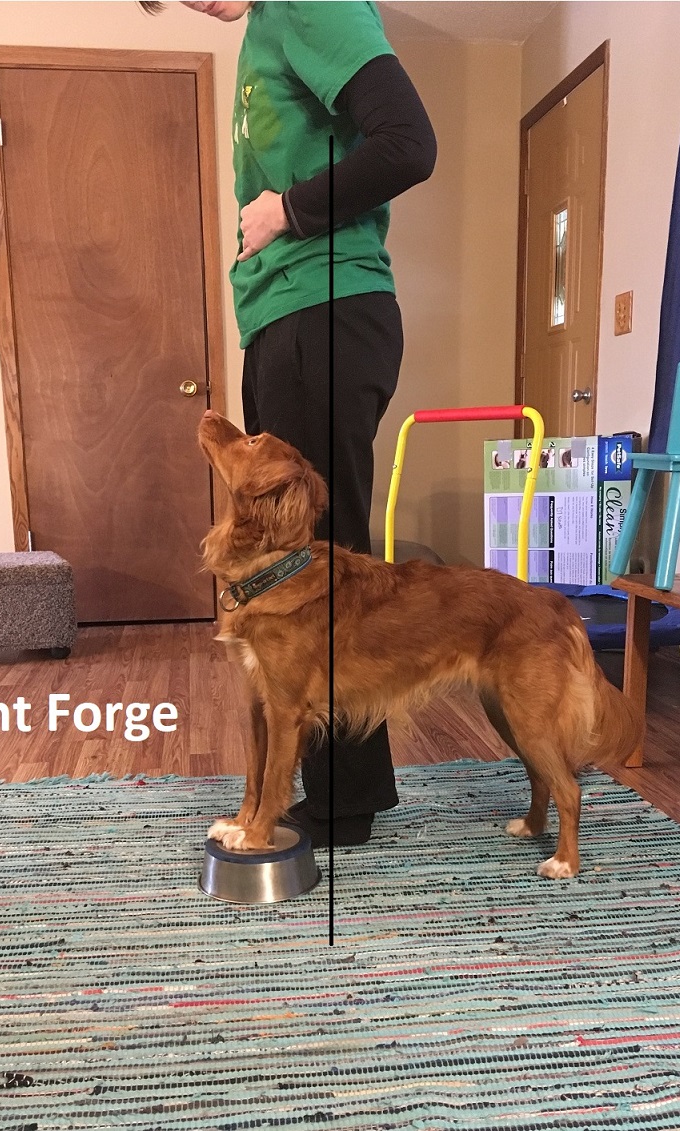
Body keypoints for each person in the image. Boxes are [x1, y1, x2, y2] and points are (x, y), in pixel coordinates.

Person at [157, 0, 436, 846]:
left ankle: (335, 804)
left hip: (327, 309)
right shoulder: (264, 28)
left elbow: (408, 143)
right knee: (304, 570)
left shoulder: (310, 4)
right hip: (290, 316)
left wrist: (286, 210)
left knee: (317, 569)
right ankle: (329, 792)